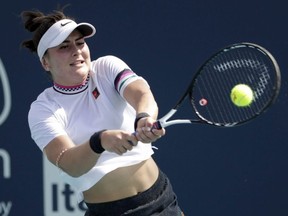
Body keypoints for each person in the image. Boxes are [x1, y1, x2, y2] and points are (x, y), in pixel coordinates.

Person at [21, 7, 184, 216]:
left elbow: (142, 94)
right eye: (64, 46)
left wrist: (144, 117)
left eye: (80, 43)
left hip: (162, 200)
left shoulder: (107, 67)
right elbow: (69, 163)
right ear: (45, 62)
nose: (76, 50)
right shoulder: (43, 109)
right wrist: (99, 141)